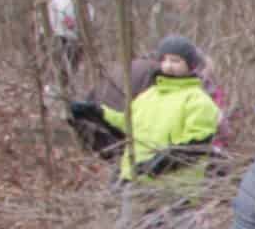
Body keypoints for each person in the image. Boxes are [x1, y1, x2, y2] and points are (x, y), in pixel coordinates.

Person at [67, 34, 220, 193]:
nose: (168, 66)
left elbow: (196, 145)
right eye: (164, 60)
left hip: (173, 189)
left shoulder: (198, 101)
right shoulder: (149, 95)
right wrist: (97, 113)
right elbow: (128, 124)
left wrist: (159, 163)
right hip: (135, 180)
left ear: (190, 65)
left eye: (175, 61)